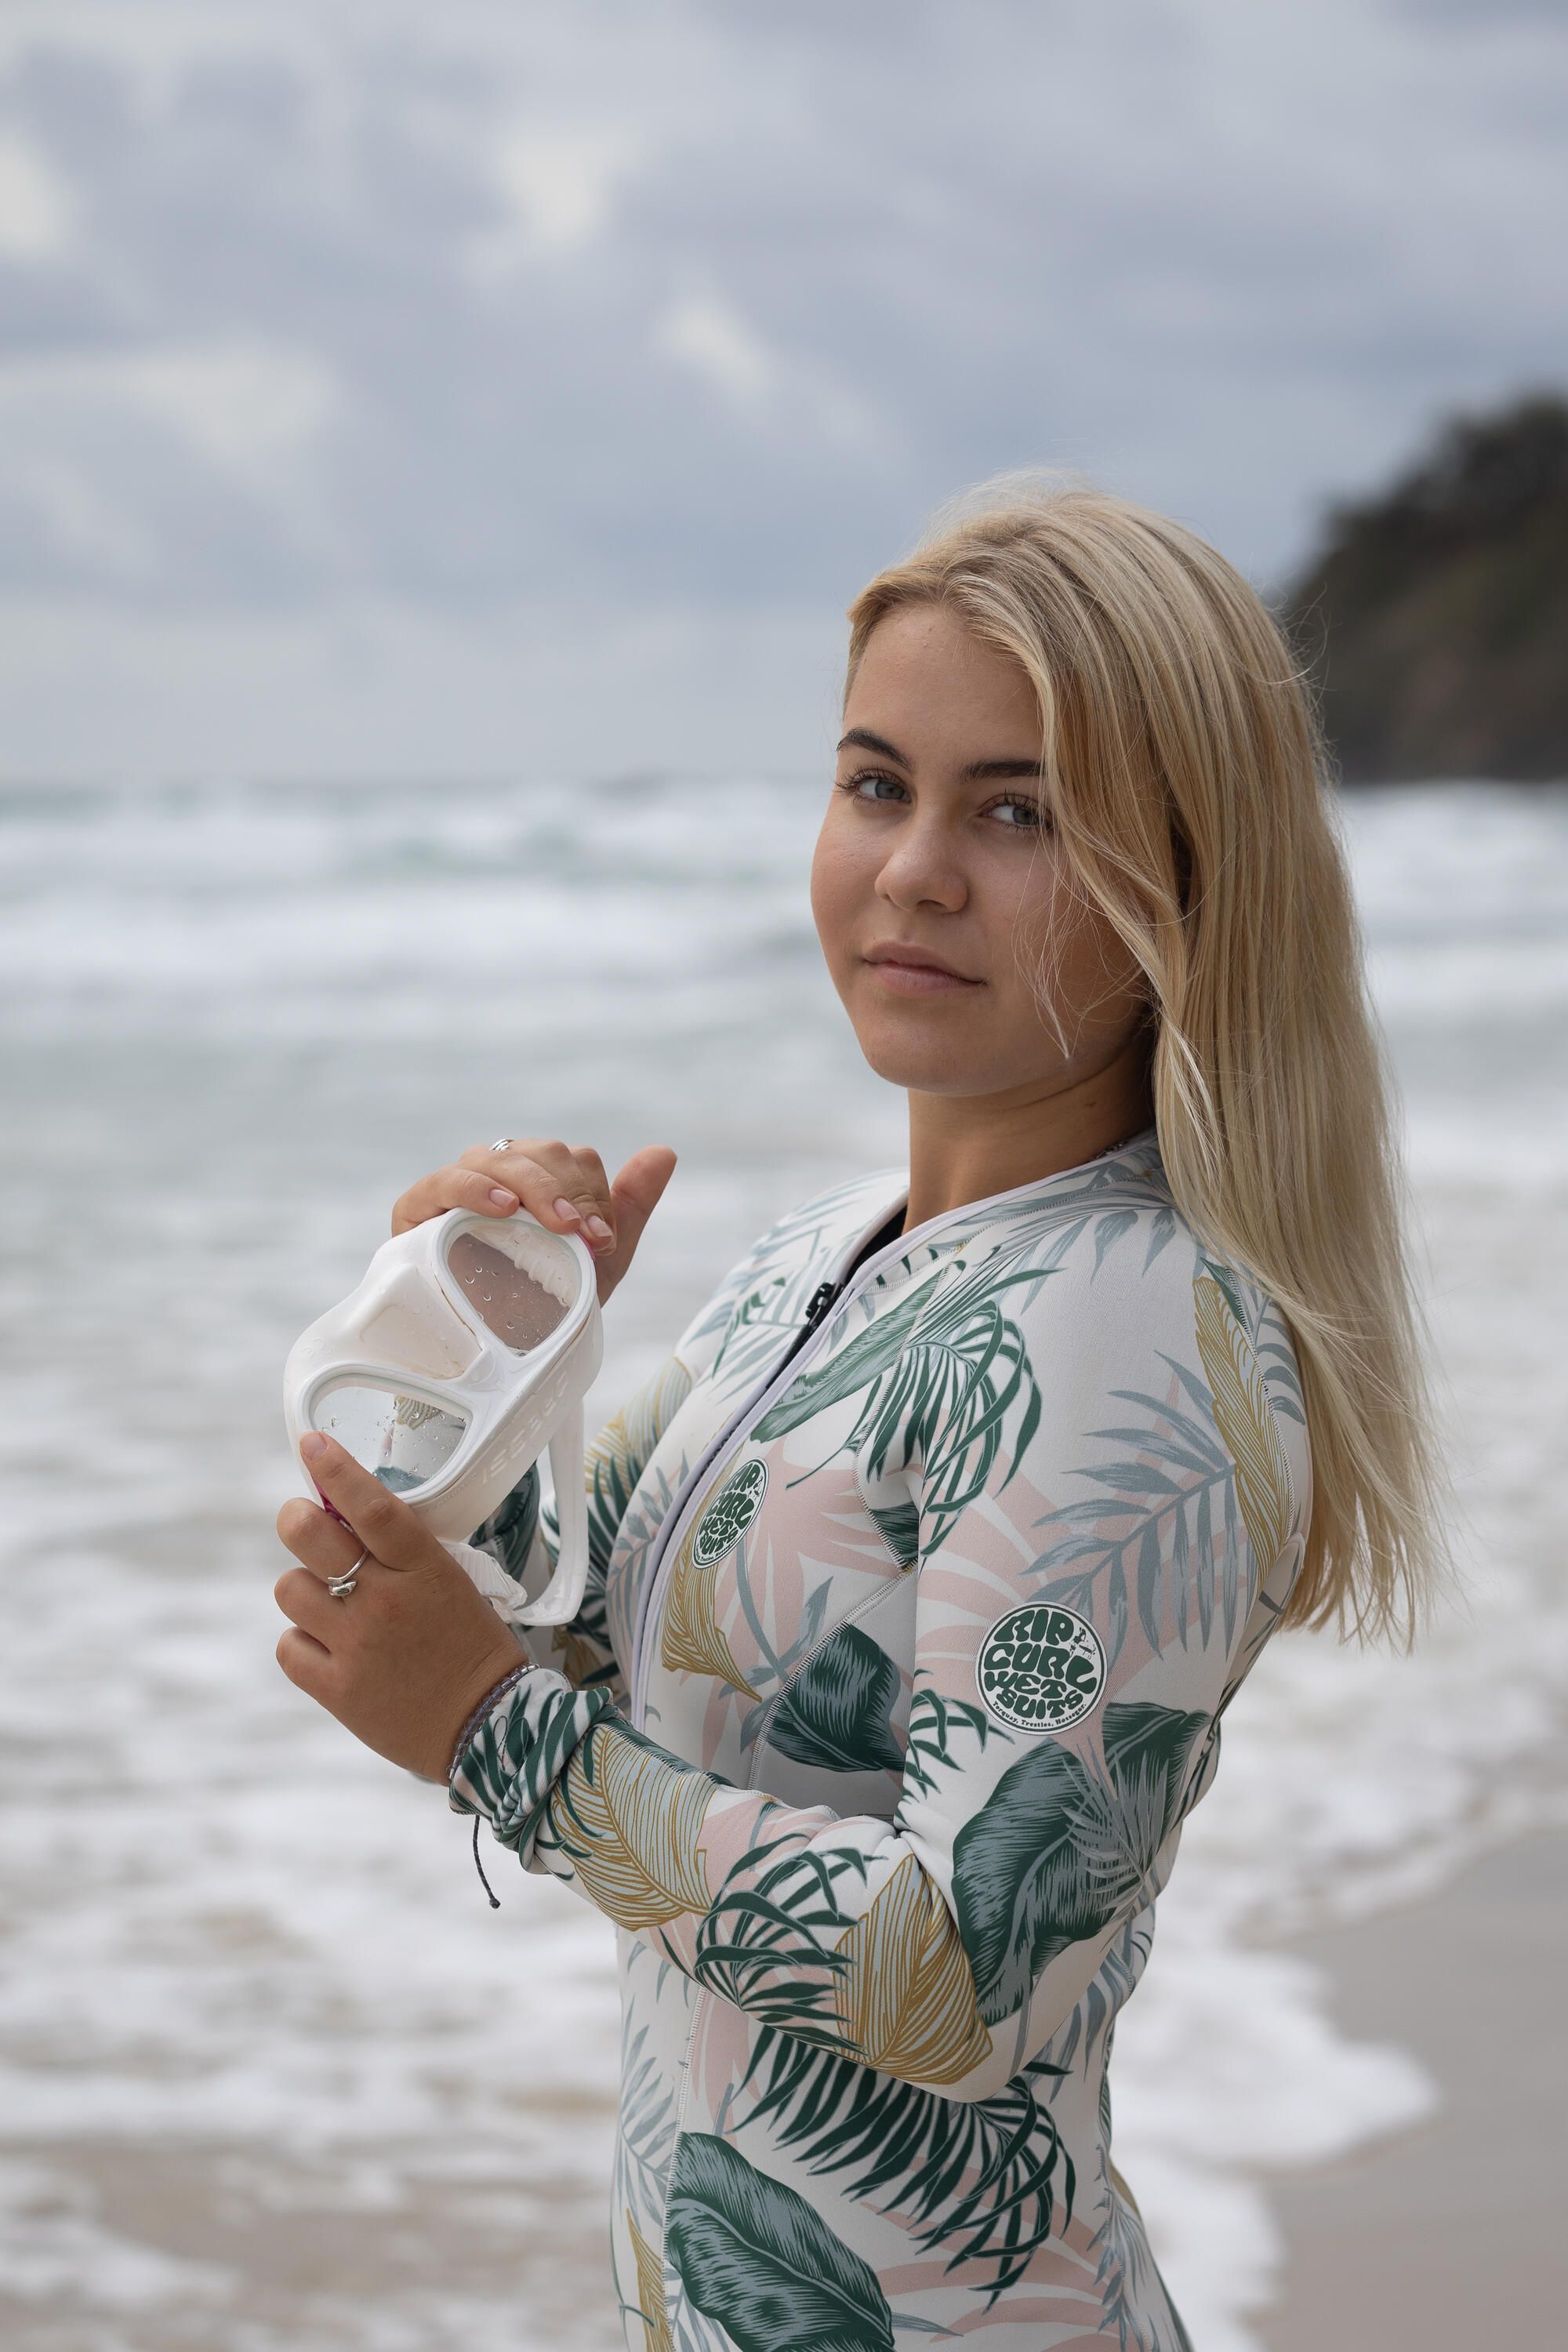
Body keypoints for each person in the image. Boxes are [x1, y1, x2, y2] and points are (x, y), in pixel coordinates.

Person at [274, 480, 1446, 2349]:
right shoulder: (822, 1252)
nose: (912, 868)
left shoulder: (1128, 1325)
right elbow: (575, 1655)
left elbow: (954, 1970)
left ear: (1185, 880)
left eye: (1018, 812)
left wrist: (491, 1745)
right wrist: (495, 1354)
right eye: (877, 784)